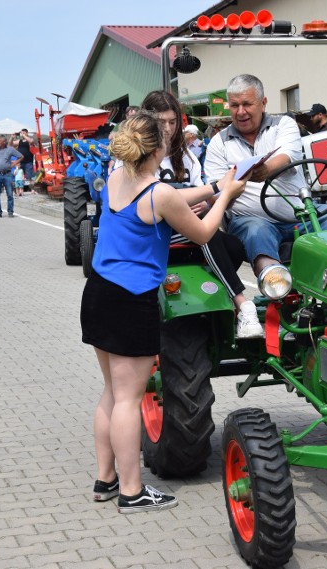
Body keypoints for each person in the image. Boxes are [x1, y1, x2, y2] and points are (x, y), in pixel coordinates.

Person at [81, 111, 246, 513]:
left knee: (111, 392)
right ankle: (133, 492)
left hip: (98, 293)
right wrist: (224, 196)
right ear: (159, 149)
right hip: (130, 300)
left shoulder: (118, 178)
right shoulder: (160, 194)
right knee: (129, 399)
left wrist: (209, 187)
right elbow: (203, 232)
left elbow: (166, 198)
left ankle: (106, 481)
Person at [204, 74, 327, 285]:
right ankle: (275, 283)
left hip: (299, 214)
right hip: (251, 218)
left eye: (247, 104)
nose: (240, 112)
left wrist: (264, 169)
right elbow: (216, 193)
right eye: (235, 105)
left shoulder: (283, 125)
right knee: (256, 231)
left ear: (263, 103)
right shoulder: (218, 143)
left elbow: (286, 156)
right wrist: (227, 192)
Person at [140, 90, 262, 337]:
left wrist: (208, 204)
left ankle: (211, 294)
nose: (167, 128)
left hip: (186, 225)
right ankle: (241, 302)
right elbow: (150, 199)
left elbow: (203, 194)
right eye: (160, 122)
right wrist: (218, 190)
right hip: (154, 232)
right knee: (204, 235)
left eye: (172, 122)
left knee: (235, 247)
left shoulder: (186, 157)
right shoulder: (140, 157)